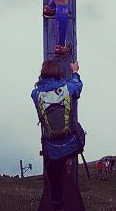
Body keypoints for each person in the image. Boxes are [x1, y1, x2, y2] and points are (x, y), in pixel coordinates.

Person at [31, 59, 83, 211]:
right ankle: (67, 162)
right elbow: (78, 87)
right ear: (58, 73)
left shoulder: (35, 94)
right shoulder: (67, 88)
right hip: (72, 143)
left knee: (53, 177)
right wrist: (75, 71)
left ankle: (57, 206)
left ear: (42, 74)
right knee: (74, 135)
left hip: (51, 148)